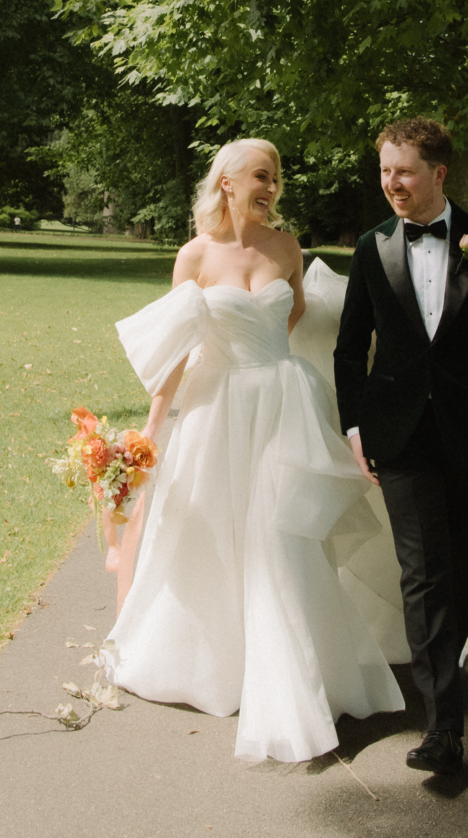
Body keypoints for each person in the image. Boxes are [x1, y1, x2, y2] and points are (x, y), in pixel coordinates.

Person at [105, 138, 407, 763]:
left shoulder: (287, 247)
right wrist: (149, 433)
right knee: (219, 537)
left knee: (282, 534)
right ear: (227, 182)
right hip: (219, 416)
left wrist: (263, 362)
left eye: (276, 178)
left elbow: (293, 312)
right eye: (261, 176)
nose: (271, 187)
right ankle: (224, 665)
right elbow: (175, 356)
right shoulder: (193, 257)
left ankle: (294, 671)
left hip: (283, 406)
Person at [334, 117, 468, 778]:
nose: (391, 184)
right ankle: (444, 731)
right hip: (398, 435)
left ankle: (445, 683)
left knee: (457, 571)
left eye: (403, 171)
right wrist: (354, 428)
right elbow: (351, 347)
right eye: (383, 172)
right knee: (422, 573)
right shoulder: (373, 248)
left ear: (438, 173)